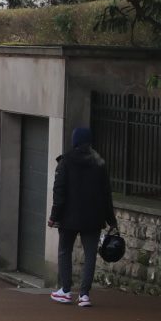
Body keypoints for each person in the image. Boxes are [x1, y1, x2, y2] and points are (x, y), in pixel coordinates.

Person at [49, 127, 117, 307]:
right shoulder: (99, 163)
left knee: (65, 251)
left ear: (75, 141)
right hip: (93, 218)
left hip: (69, 217)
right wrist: (112, 221)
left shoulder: (65, 162)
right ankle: (84, 295)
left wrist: (54, 216)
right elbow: (106, 194)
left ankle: (65, 290)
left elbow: (59, 192)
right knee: (90, 255)